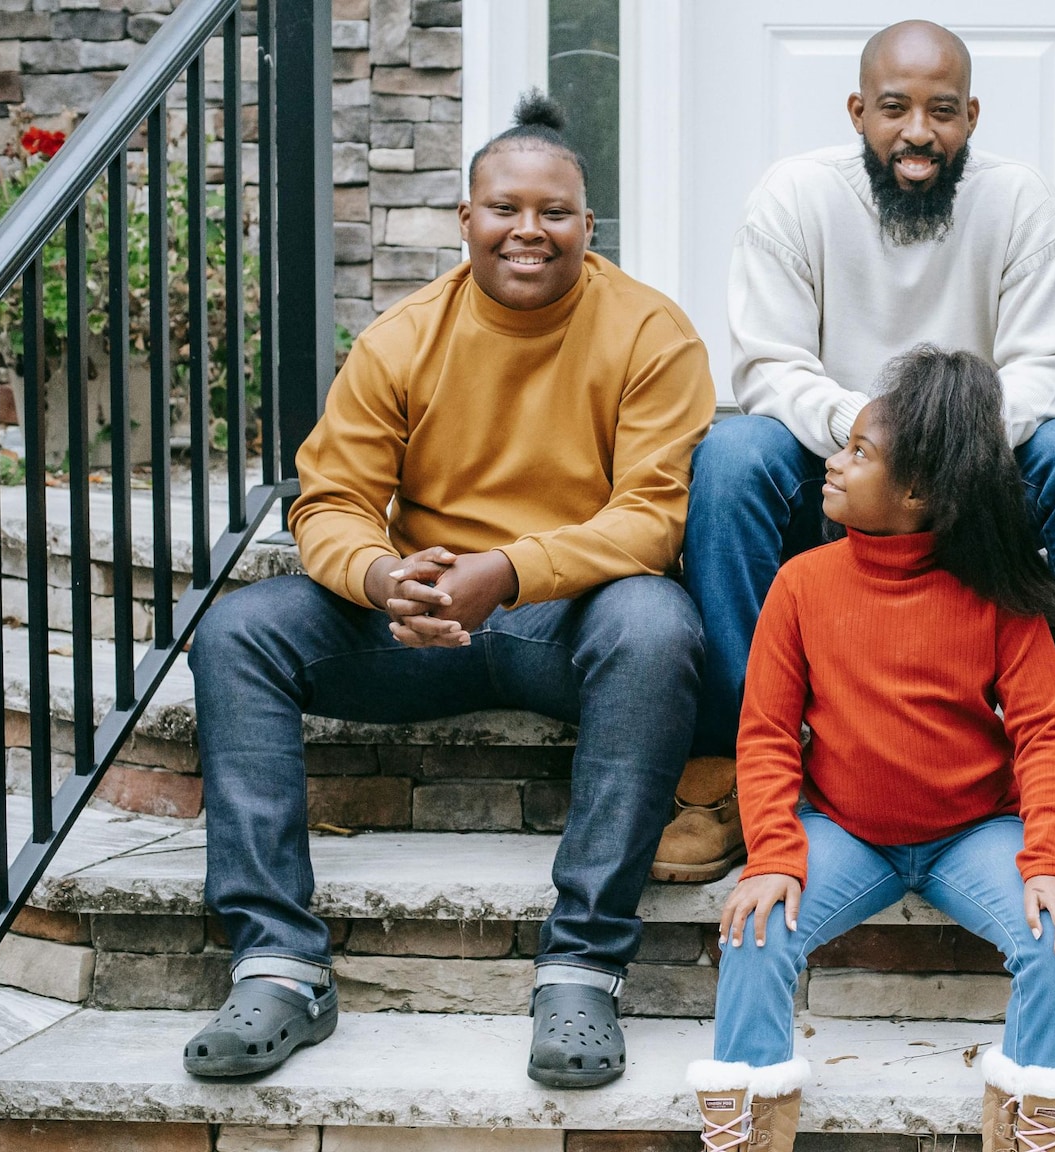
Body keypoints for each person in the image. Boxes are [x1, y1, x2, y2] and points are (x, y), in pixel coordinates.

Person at [179, 93, 714, 1087]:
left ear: (587, 226)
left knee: (657, 625)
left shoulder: (649, 333)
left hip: (568, 617)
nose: (528, 230)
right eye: (504, 208)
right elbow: (328, 501)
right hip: (420, 621)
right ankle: (279, 964)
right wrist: (385, 576)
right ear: (464, 219)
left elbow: (656, 515)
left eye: (554, 212)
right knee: (238, 632)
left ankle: (581, 967)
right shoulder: (403, 338)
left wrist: (508, 571)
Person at [658, 19, 1055, 890]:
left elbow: (1050, 366)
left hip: (981, 461)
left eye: (940, 111)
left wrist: (944, 443)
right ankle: (735, 771)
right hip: (838, 457)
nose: (917, 133)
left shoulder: (1019, 201)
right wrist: (875, 437)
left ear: (972, 114)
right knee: (734, 453)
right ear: (858, 110)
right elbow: (770, 365)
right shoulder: (794, 196)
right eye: (894, 109)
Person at [686, 349, 1055, 1152]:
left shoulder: (997, 597)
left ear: (917, 493)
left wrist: (1048, 863)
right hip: (848, 831)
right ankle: (747, 1122)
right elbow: (767, 734)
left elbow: (1044, 733)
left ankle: (1037, 1118)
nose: (832, 463)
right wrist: (773, 852)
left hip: (972, 833)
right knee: (754, 926)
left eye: (857, 453)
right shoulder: (802, 584)